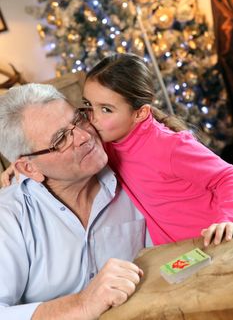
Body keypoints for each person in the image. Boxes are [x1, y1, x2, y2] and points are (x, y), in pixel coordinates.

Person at [0, 83, 152, 320]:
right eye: (61, 138)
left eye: (79, 118)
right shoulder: (8, 217)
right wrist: (81, 304)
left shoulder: (134, 168)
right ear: (29, 167)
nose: (84, 136)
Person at [81, 53, 233, 246]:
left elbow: (227, 176)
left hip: (215, 242)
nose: (92, 118)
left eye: (106, 109)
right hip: (178, 253)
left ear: (140, 113)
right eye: (88, 105)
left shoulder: (170, 146)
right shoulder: (106, 143)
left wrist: (227, 219)